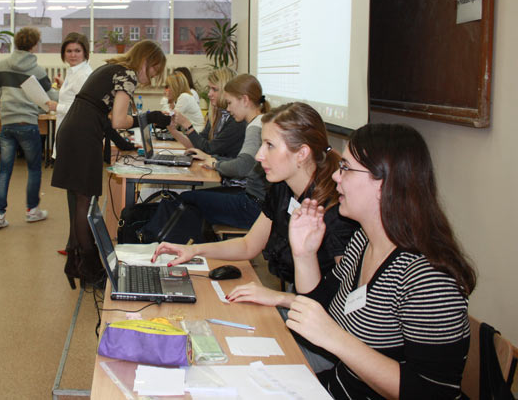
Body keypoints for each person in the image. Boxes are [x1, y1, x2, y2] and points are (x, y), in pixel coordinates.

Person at [285, 123, 476, 399]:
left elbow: (432, 392)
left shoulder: (428, 277)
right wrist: (304, 254)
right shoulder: (363, 240)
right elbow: (321, 310)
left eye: (346, 168)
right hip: (338, 387)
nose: (336, 177)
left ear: (384, 183)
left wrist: (336, 339)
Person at [152, 101, 357, 303]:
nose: (259, 156)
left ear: (301, 154)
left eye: (269, 146)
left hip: (316, 316)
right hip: (297, 300)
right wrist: (194, 250)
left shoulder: (335, 211)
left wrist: (278, 298)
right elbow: (249, 245)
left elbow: (340, 302)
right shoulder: (283, 189)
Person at [53, 40, 169, 288]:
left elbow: (100, 113)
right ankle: (90, 270)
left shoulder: (110, 68)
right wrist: (148, 118)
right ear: (146, 61)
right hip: (84, 136)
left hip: (72, 131)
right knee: (86, 205)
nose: (152, 78)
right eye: (154, 71)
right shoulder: (127, 74)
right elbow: (117, 120)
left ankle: (74, 262)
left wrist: (122, 144)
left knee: (78, 202)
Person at [149, 74, 270, 237]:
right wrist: (215, 160)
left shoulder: (254, 127)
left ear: (245, 100)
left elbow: (242, 166)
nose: (228, 108)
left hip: (252, 206)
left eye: (230, 103)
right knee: (191, 199)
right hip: (253, 201)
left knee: (187, 200)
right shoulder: (259, 122)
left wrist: (214, 164)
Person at [0, 26, 57, 229]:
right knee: (34, 169)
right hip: (28, 124)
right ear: (34, 45)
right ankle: (32, 211)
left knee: (4, 171)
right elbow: (50, 98)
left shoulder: (2, 65)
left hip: (7, 124)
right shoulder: (37, 70)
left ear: (16, 43)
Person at [167, 67, 245, 158]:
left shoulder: (237, 120)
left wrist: (186, 124)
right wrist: (173, 131)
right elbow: (198, 145)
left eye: (214, 89)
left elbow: (209, 150)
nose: (209, 94)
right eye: (209, 89)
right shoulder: (217, 114)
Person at [52, 32, 93, 159]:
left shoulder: (83, 75)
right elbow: (77, 96)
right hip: (67, 129)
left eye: (77, 50)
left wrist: (57, 107)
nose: (73, 55)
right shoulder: (74, 71)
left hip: (75, 133)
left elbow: (84, 110)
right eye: (69, 51)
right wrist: (64, 85)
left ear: (85, 52)